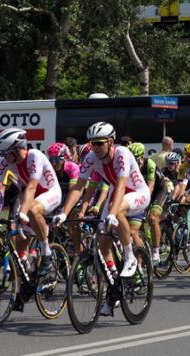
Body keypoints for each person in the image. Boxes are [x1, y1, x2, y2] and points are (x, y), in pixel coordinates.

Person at [54, 122, 150, 316]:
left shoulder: (122, 153)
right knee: (102, 243)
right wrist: (65, 213)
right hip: (117, 193)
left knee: (119, 212)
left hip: (137, 192)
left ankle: (130, 256)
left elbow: (122, 185)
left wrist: (113, 214)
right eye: (92, 143)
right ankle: (114, 288)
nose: (95, 148)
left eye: (99, 143)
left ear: (110, 142)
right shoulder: (90, 158)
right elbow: (79, 187)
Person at [0, 127, 62, 313]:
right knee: (19, 249)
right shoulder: (7, 161)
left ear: (15, 149)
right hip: (30, 197)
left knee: (32, 210)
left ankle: (46, 251)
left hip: (49, 193)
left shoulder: (34, 156)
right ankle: (22, 290)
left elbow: (31, 186)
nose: (3, 158)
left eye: (6, 153)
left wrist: (24, 211)